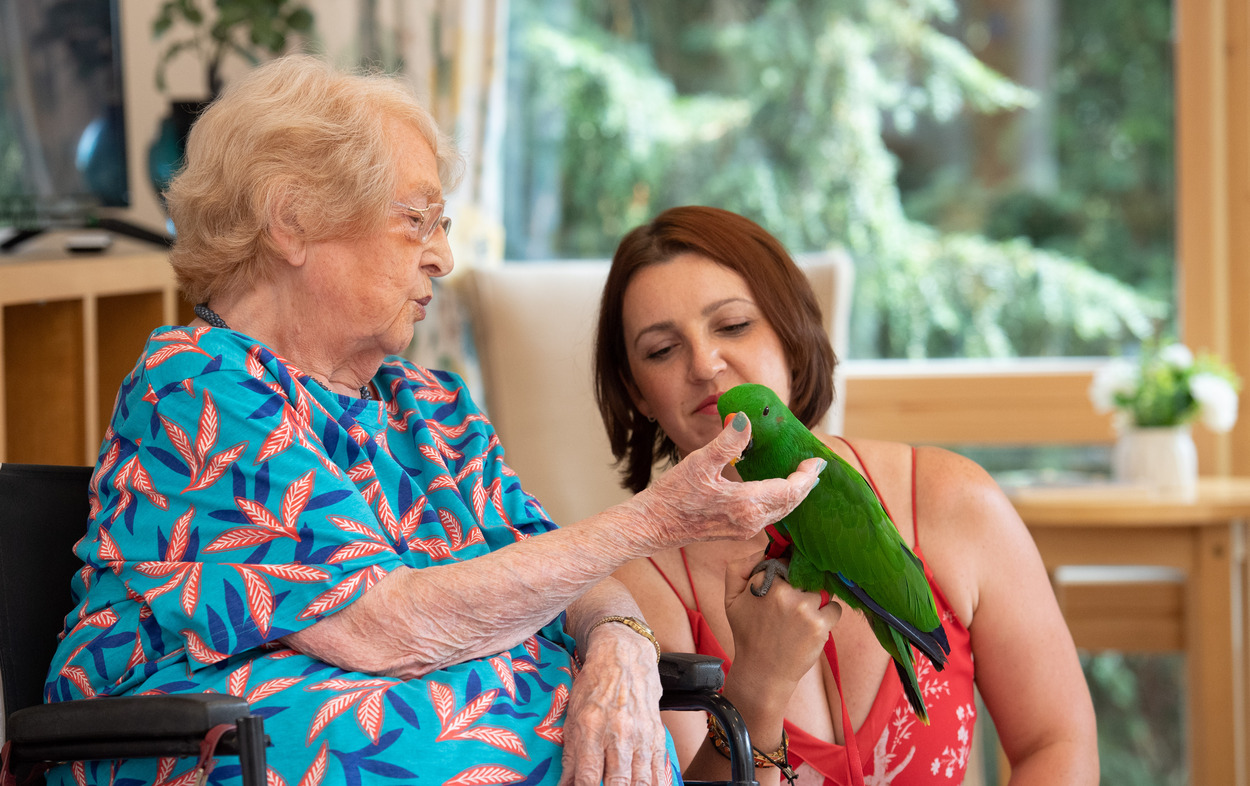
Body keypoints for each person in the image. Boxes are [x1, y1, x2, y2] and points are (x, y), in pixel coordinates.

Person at [44, 58, 827, 786]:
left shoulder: (432, 408)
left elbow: (572, 581)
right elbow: (376, 628)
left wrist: (622, 645)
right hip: (204, 748)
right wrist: (655, 518)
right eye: (418, 221)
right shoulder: (202, 385)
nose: (443, 257)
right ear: (292, 223)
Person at [595, 206, 1099, 785]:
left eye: (733, 325)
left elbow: (1055, 744)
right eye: (662, 350)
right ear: (637, 392)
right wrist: (755, 689)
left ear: (789, 331)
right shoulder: (627, 596)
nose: (707, 366)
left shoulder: (958, 503)